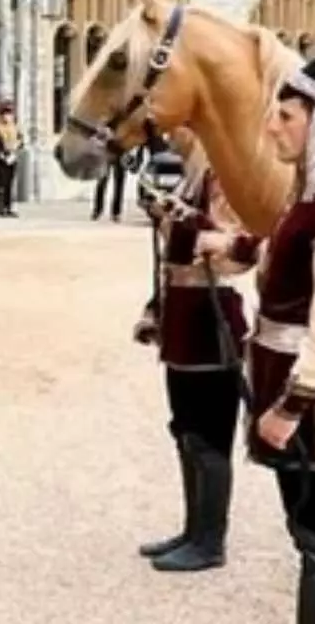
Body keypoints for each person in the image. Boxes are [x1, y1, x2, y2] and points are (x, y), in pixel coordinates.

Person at [197, 58, 315, 623]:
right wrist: (234, 247)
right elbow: (292, 261)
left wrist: (290, 408)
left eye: (285, 115)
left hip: (314, 406)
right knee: (306, 526)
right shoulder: (311, 193)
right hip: (291, 392)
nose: (272, 127)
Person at [131, 130, 258, 572]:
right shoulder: (191, 177)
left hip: (210, 314)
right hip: (184, 315)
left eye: (182, 125)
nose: (171, 134)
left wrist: (184, 217)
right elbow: (174, 256)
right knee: (185, 430)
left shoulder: (223, 179)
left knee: (209, 436)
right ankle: (193, 529)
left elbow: (235, 252)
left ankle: (210, 540)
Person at [0, 100, 22, 217]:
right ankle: (1, 208)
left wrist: (16, 150)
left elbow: (21, 141)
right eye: (5, 114)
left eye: (9, 114)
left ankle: (9, 207)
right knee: (1, 184)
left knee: (10, 184)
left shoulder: (15, 128)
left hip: (13, 158)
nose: (7, 117)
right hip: (1, 159)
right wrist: (2, 155)